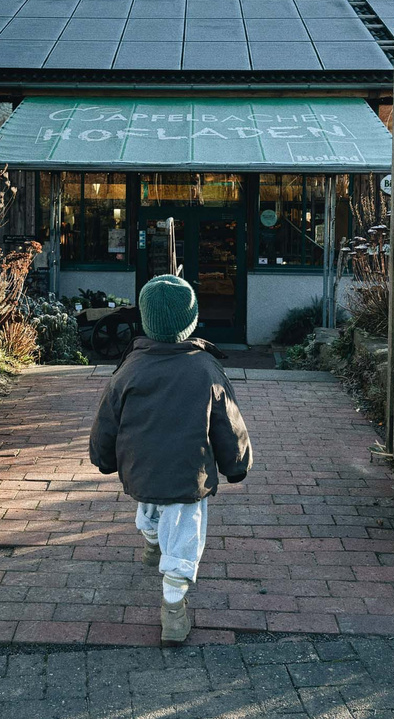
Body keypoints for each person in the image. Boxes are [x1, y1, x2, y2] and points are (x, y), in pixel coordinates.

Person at [89, 274, 252, 644]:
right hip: (188, 472)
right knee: (184, 533)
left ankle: (149, 537)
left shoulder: (129, 368)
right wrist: (236, 465)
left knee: (149, 507)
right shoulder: (206, 369)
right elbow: (229, 424)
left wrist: (103, 458)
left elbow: (107, 419)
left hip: (140, 467)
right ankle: (173, 608)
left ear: (147, 321)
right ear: (191, 321)